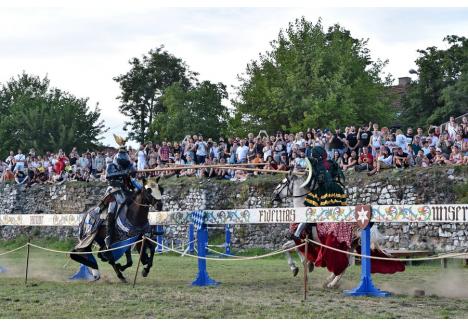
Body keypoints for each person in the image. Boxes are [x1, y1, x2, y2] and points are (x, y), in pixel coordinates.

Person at [101, 135, 141, 252]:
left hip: (125, 190)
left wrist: (132, 171)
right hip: (113, 190)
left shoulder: (127, 164)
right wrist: (124, 173)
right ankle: (109, 235)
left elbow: (132, 176)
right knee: (112, 209)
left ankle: (138, 228)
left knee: (138, 203)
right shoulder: (111, 165)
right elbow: (109, 176)